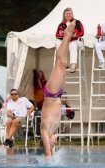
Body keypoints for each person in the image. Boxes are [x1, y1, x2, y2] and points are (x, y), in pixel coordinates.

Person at [40, 20, 76, 159]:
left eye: (52, 143)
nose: (55, 142)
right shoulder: (54, 131)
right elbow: (53, 151)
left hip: (51, 93)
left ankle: (67, 35)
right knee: (64, 63)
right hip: (58, 94)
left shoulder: (45, 130)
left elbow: (48, 153)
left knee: (60, 64)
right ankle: (68, 37)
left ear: (48, 141)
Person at [55, 7, 84, 73]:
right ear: (64, 15)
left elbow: (82, 32)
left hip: (75, 40)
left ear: (72, 14)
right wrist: (63, 34)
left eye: (69, 14)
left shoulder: (77, 22)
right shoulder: (61, 24)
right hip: (65, 41)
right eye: (67, 14)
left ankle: (73, 65)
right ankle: (63, 63)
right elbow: (57, 35)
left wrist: (75, 34)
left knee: (72, 45)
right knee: (58, 44)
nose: (68, 15)